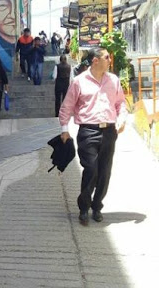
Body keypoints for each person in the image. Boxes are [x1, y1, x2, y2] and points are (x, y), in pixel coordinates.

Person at [59, 47, 127, 225]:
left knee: (104, 171)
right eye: (106, 57)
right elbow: (67, 106)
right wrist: (64, 129)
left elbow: (121, 103)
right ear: (95, 60)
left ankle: (97, 206)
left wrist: (121, 119)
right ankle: (84, 207)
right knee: (91, 169)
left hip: (109, 131)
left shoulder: (113, 80)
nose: (109, 59)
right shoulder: (79, 81)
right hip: (88, 131)